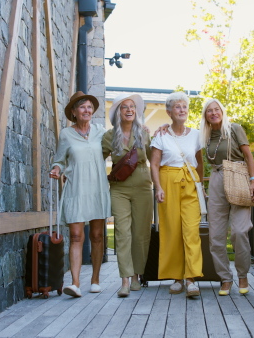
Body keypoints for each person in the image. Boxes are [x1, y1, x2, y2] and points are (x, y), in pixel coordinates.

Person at [49, 91, 111, 297]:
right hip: (76, 189)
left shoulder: (101, 132)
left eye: (89, 107)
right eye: (82, 107)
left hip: (97, 189)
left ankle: (95, 279)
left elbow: (120, 140)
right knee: (76, 236)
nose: (87, 110)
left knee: (97, 235)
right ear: (74, 112)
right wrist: (57, 169)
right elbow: (59, 159)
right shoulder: (67, 134)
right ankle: (75, 283)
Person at [199, 98, 254, 295]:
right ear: (205, 116)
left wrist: (253, 180)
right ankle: (225, 278)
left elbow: (248, 155)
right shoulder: (205, 136)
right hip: (216, 180)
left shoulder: (234, 128)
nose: (214, 113)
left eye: (217, 109)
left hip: (238, 177)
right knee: (215, 236)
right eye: (209, 111)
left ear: (222, 112)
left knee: (239, 231)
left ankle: (242, 275)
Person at [149, 91, 204, 297]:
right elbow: (154, 164)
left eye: (185, 107)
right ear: (169, 112)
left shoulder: (197, 135)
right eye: (178, 107)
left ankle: (191, 279)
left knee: (191, 231)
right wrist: (158, 188)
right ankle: (176, 278)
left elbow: (200, 164)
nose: (182, 110)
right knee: (171, 231)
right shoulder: (161, 135)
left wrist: (201, 188)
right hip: (168, 182)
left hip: (190, 184)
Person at [102, 93, 153, 298]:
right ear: (118, 112)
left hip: (142, 186)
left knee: (140, 234)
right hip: (119, 188)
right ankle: (124, 279)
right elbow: (96, 159)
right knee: (123, 232)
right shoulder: (108, 136)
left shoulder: (144, 133)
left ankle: (136, 277)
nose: (129, 110)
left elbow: (155, 159)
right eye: (124, 107)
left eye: (132, 107)